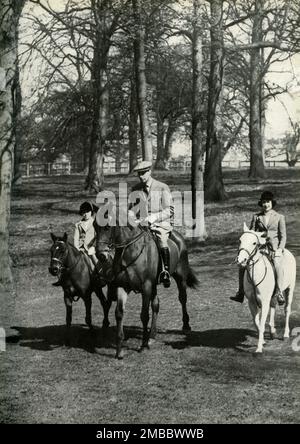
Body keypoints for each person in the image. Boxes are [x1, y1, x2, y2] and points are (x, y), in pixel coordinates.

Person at [230, 190, 286, 306]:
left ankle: (279, 292)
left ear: (272, 203)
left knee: (277, 264)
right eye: (264, 202)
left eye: (268, 202)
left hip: (273, 248)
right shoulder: (256, 217)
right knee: (242, 266)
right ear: (261, 203)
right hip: (259, 248)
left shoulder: (279, 217)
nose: (266, 204)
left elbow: (283, 236)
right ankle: (240, 292)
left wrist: (280, 248)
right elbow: (251, 233)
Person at [129, 160, 174, 288]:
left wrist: (153, 218)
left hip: (159, 223)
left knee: (161, 240)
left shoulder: (162, 187)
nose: (141, 176)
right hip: (141, 224)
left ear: (149, 171)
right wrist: (132, 217)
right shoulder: (135, 189)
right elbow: (131, 209)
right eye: (139, 174)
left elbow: (169, 210)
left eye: (143, 173)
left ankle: (165, 272)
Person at [52, 201, 98, 286]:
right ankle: (62, 278)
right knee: (67, 258)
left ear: (91, 212)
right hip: (80, 248)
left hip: (92, 246)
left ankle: (98, 275)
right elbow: (76, 238)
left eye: (87, 212)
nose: (85, 214)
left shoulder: (95, 223)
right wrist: (77, 248)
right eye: (83, 212)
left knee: (92, 257)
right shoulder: (78, 225)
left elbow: (97, 235)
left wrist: (93, 246)